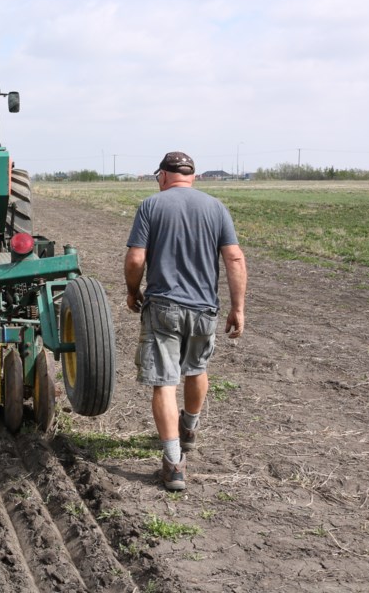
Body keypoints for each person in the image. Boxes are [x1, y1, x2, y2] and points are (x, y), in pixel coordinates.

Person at [124, 151, 247, 491]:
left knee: (164, 382)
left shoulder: (151, 206)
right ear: (192, 177)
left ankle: (174, 463)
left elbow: (136, 257)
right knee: (196, 369)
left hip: (163, 305)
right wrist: (238, 307)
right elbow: (234, 257)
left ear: (163, 176)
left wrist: (133, 290)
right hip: (204, 308)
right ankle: (189, 428)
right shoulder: (216, 207)